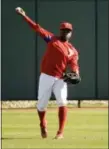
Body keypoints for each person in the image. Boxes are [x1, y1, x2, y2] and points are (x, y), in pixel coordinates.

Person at [15, 7, 80, 139]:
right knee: (42, 104)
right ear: (60, 31)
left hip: (60, 79)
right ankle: (43, 123)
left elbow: (74, 65)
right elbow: (37, 28)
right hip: (46, 76)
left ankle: (60, 132)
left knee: (63, 102)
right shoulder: (52, 39)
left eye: (68, 31)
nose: (65, 32)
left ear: (71, 33)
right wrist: (24, 16)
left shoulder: (73, 50)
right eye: (63, 30)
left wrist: (75, 73)